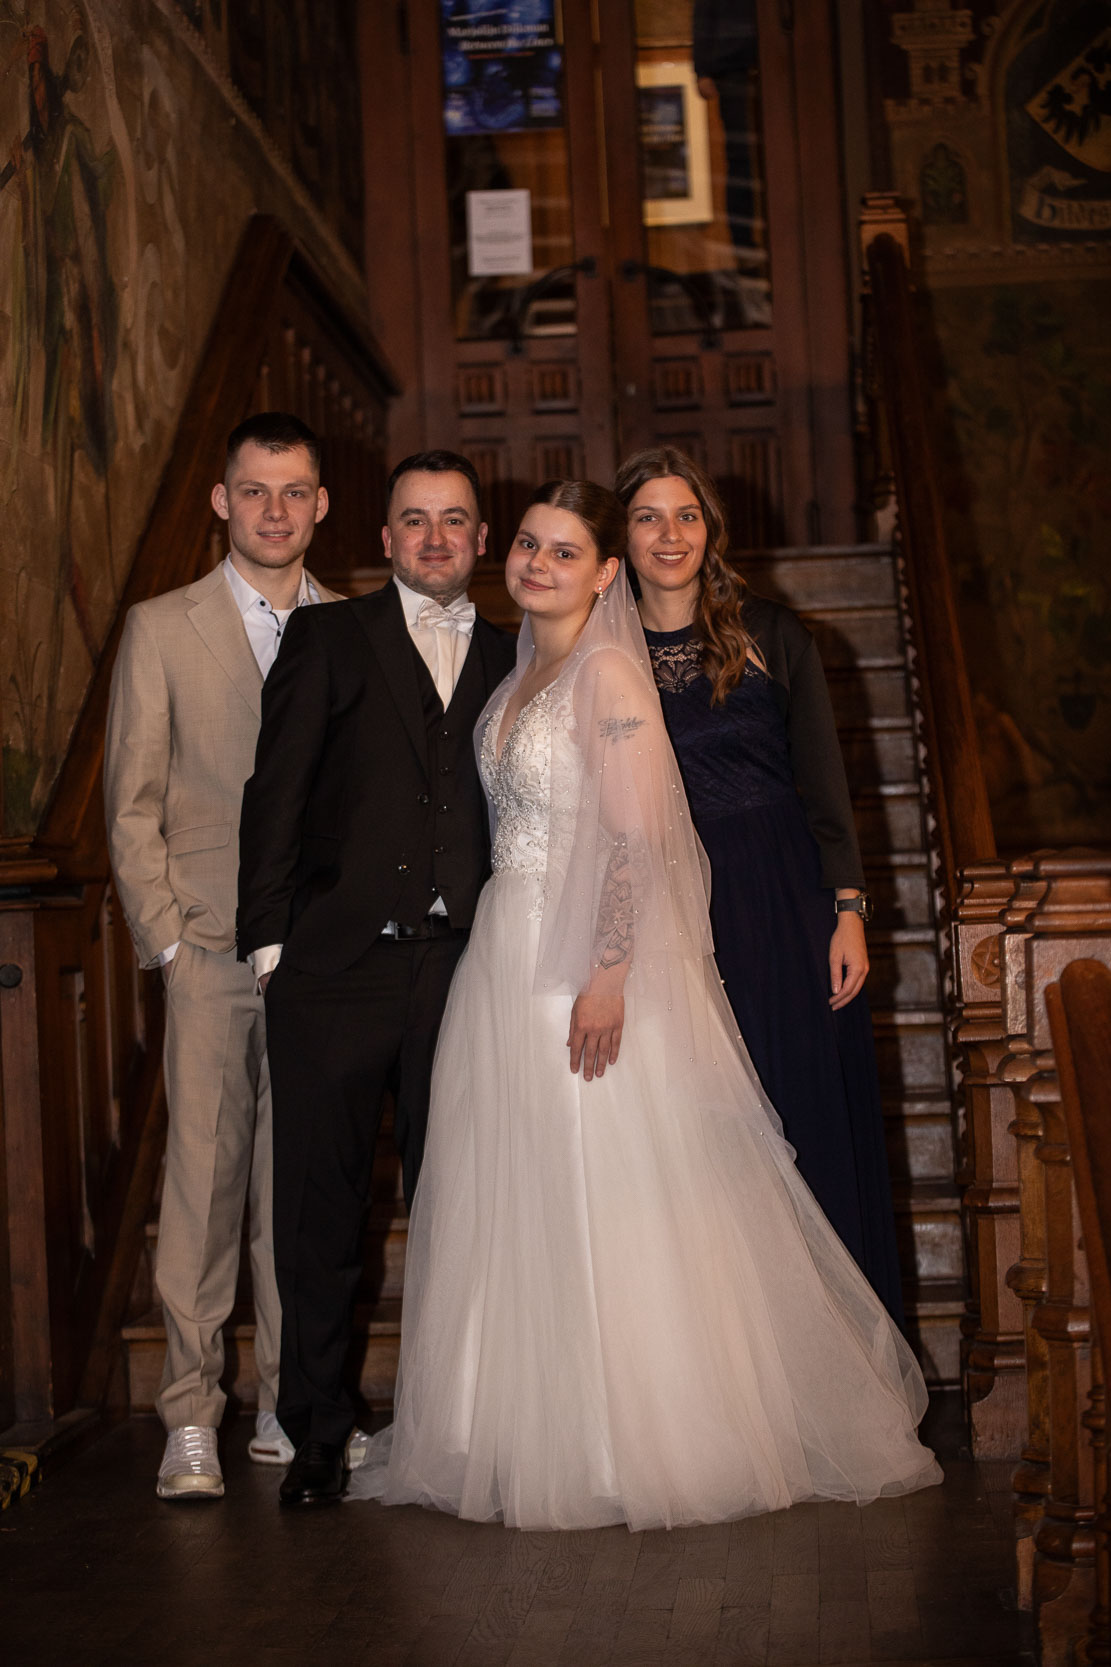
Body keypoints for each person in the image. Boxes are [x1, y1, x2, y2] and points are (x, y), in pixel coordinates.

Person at [348, 480, 940, 1529]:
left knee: (608, 1186)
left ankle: (632, 1435)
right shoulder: (520, 674)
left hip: (582, 960)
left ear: (604, 572)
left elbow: (633, 835)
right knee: (522, 1183)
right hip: (506, 951)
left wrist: (610, 971)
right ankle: (517, 1422)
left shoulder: (608, 672)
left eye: (563, 550)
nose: (537, 563)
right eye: (527, 544)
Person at [237, 450, 516, 1509]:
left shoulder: (516, 654)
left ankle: (460, 1423)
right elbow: (275, 794)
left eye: (454, 519)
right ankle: (315, 1429)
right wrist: (270, 947)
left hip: (467, 969)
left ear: (481, 539)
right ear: (385, 536)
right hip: (333, 971)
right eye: (415, 519)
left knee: (465, 1203)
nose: (435, 537)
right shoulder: (326, 637)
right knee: (321, 1209)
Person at [104, 411, 339, 1500]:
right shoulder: (162, 626)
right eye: (254, 490)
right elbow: (130, 800)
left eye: (293, 491)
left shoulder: (355, 626)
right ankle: (190, 1412)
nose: (273, 510)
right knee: (201, 1186)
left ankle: (289, 1403)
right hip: (205, 945)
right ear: (221, 500)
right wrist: (164, 937)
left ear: (321, 505)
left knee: (299, 1192)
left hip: (320, 959)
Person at [614, 446, 905, 1324]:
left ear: (710, 529)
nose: (670, 534)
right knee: (706, 1134)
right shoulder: (603, 649)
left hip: (781, 901)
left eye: (686, 515)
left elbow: (824, 784)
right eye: (648, 517)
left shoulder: (771, 633)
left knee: (801, 1114)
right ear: (621, 536)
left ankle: (842, 1342)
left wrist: (847, 908)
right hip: (671, 911)